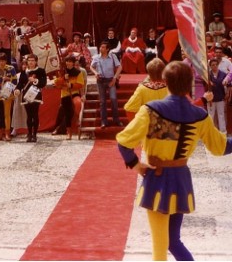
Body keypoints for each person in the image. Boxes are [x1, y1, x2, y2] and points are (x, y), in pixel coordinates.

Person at [116, 61, 232, 261]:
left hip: (157, 179)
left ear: (165, 81)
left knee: (160, 247)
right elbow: (220, 147)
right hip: (180, 181)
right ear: (189, 85)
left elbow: (124, 142)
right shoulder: (200, 115)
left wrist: (135, 163)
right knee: (172, 241)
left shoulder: (150, 111)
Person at [14, 54, 47, 142]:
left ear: (36, 61)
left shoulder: (41, 71)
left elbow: (44, 83)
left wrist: (36, 81)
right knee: (29, 115)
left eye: (33, 60)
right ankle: (29, 133)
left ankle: (34, 134)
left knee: (35, 114)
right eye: (29, 60)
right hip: (26, 95)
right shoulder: (24, 72)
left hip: (36, 95)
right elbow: (20, 83)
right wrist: (17, 89)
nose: (31, 62)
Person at [90, 41, 123, 128]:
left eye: (103, 47)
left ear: (107, 49)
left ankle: (116, 119)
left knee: (113, 98)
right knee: (102, 101)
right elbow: (91, 66)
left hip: (110, 80)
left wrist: (115, 78)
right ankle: (104, 121)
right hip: (100, 81)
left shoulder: (112, 56)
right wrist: (95, 73)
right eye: (101, 47)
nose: (101, 49)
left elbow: (119, 67)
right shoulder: (96, 57)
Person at [53, 56, 85, 140]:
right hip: (65, 94)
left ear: (73, 63)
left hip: (74, 93)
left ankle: (77, 117)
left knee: (78, 103)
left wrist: (71, 85)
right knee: (67, 113)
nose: (68, 63)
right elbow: (56, 83)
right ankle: (69, 132)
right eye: (67, 61)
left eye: (70, 61)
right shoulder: (62, 72)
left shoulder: (78, 72)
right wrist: (64, 78)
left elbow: (81, 84)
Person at [208, 58, 227, 133]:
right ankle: (211, 132)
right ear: (210, 66)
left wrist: (227, 94)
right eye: (213, 65)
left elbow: (227, 84)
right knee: (211, 116)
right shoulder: (208, 75)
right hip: (210, 98)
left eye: (216, 65)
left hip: (220, 97)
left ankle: (223, 132)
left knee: (221, 115)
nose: (215, 66)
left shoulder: (223, 74)